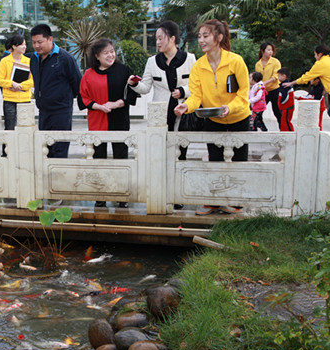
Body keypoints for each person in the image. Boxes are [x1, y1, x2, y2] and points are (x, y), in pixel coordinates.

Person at [173, 19, 250, 216]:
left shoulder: (236, 61)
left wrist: (229, 108)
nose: (201, 40)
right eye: (199, 36)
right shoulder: (199, 66)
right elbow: (196, 96)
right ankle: (213, 201)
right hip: (213, 119)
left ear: (219, 37)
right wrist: (186, 106)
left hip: (238, 117)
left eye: (205, 36)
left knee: (239, 160)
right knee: (214, 159)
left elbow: (243, 95)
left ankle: (236, 202)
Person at [80, 38, 137, 208]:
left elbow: (132, 94)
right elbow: (83, 98)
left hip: (119, 121)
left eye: (112, 51)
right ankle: (100, 195)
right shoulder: (88, 74)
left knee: (121, 158)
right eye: (106, 52)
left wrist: (115, 104)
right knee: (99, 159)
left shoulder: (123, 70)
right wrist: (99, 107)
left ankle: (122, 196)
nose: (111, 55)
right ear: (97, 56)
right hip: (98, 121)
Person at [129, 20, 196, 161]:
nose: (158, 42)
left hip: (182, 112)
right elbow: (145, 88)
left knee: (180, 150)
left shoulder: (189, 59)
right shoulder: (152, 61)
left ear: (172, 39)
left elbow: (197, 86)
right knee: (160, 152)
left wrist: (183, 91)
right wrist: (134, 84)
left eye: (161, 38)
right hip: (160, 114)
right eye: (156, 39)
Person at [30, 24, 82, 158]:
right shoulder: (34, 59)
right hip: (43, 111)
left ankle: (59, 176)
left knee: (59, 148)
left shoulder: (65, 58)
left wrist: (64, 98)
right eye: (34, 42)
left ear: (50, 39)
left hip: (61, 111)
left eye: (40, 42)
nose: (37, 46)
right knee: (45, 148)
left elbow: (77, 83)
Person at [0, 35, 33, 157]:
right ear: (14, 46)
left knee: (25, 127)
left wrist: (20, 86)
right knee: (9, 127)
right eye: (21, 44)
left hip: (24, 99)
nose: (24, 47)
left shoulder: (28, 61)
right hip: (10, 99)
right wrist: (12, 83)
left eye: (25, 44)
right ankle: (6, 152)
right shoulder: (5, 61)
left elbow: (33, 80)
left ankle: (24, 152)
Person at [283, 44, 330, 123]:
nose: (315, 57)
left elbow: (306, 77)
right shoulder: (329, 60)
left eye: (315, 55)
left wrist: (291, 83)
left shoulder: (321, 63)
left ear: (320, 54)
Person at [255, 42, 282, 127]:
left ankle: (283, 129)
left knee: (277, 111)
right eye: (268, 50)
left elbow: (276, 76)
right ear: (262, 51)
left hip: (274, 90)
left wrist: (264, 83)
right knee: (258, 111)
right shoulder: (258, 64)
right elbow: (257, 78)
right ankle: (262, 127)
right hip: (263, 92)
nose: (271, 52)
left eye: (272, 50)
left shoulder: (275, 62)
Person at [277, 67, 295, 132]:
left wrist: (281, 102)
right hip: (284, 107)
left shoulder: (285, 85)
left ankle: (290, 134)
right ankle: (284, 133)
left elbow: (285, 96)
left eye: (279, 75)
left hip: (287, 107)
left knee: (286, 121)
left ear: (284, 76)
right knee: (283, 121)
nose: (278, 77)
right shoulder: (283, 84)